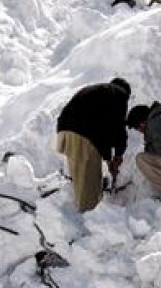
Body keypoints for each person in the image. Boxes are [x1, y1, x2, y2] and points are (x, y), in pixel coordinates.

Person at [56, 78, 132, 212]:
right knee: (89, 182)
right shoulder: (119, 95)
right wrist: (118, 155)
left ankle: (81, 214)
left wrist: (109, 158)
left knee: (81, 178)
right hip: (82, 135)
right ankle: (90, 218)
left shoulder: (96, 92)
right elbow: (116, 129)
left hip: (64, 133)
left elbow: (103, 129)